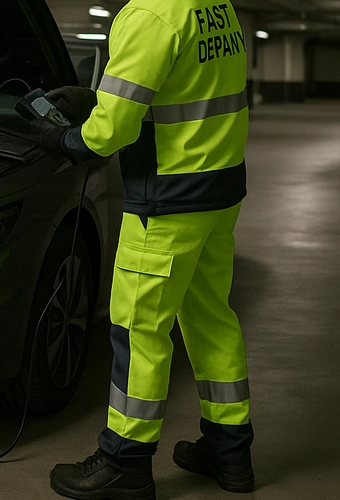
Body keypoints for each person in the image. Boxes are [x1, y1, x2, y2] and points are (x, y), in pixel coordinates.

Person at [34, 1, 254, 499]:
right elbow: (182, 90)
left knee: (138, 331)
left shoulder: (149, 15)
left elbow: (109, 134)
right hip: (217, 192)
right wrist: (98, 98)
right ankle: (230, 451)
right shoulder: (217, 8)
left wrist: (62, 138)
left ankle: (125, 462)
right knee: (211, 320)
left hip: (166, 202)